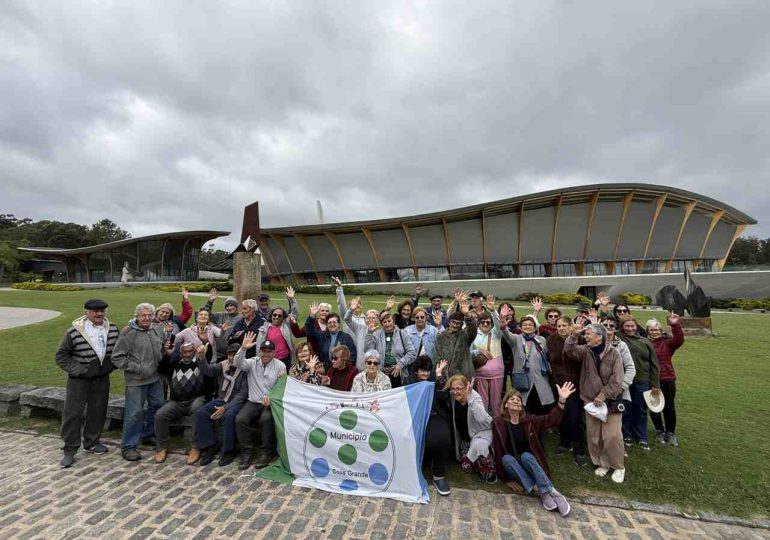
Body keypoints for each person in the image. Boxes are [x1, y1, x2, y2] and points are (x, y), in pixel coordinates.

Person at [493, 383, 576, 516]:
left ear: (521, 406)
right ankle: (541, 489)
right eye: (512, 399)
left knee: (526, 455)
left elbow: (551, 420)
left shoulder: (529, 421)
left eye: (518, 400)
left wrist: (561, 400)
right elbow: (497, 451)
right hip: (513, 467)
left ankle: (549, 492)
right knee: (506, 458)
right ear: (506, 405)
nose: (515, 401)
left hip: (529, 463)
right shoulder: (498, 423)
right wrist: (506, 479)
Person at [55, 298, 119, 468]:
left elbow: (118, 352)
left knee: (97, 411)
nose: (99, 314)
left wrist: (109, 367)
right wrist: (81, 370)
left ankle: (92, 442)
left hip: (101, 378)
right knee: (73, 413)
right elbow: (61, 356)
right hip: (79, 381)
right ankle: (69, 449)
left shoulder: (112, 329)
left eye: (102, 311)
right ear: (86, 313)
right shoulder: (74, 332)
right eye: (95, 311)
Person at [564, 323, 626, 483]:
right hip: (590, 400)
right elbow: (569, 351)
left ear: (599, 337)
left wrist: (604, 394)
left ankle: (618, 466)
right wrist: (573, 336)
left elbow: (617, 380)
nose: (586, 336)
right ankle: (603, 463)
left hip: (610, 401)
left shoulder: (614, 353)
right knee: (594, 436)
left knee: (612, 435)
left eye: (589, 334)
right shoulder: (586, 351)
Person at [112, 303, 170, 461]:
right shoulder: (128, 332)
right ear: (136, 316)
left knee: (158, 406)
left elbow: (162, 348)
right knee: (134, 413)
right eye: (143, 315)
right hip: (136, 380)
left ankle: (147, 434)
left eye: (149, 315)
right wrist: (139, 368)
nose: (146, 318)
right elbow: (117, 357)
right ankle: (129, 447)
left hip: (154, 378)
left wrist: (164, 352)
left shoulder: (157, 329)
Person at [435, 364, 496, 483]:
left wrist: (470, 398)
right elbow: (444, 387)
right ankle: (476, 459)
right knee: (466, 467)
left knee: (480, 450)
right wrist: (438, 374)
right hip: (466, 440)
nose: (456, 392)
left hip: (481, 434)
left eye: (459, 388)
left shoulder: (474, 397)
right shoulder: (453, 398)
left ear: (466, 387)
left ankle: (489, 467)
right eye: (453, 389)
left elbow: (482, 418)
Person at [234, 333, 287, 469]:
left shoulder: (280, 366)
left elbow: (282, 387)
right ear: (259, 351)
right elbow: (237, 363)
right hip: (253, 401)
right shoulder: (252, 362)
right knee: (240, 419)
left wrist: (272, 398)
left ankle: (266, 452)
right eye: (264, 351)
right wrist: (243, 349)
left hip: (271, 402)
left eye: (269, 352)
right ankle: (247, 452)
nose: (266, 354)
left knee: (266, 419)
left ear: (274, 353)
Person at [153, 342, 209, 464]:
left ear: (194, 351)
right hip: (177, 402)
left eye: (190, 351)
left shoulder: (198, 363)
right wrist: (168, 355)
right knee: (160, 415)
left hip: (195, 399)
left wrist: (204, 344)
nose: (188, 354)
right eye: (185, 352)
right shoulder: (174, 364)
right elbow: (161, 368)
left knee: (197, 411)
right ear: (180, 353)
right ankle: (162, 447)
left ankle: (195, 447)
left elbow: (207, 360)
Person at [194, 343, 248, 466]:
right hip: (222, 399)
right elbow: (207, 370)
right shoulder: (223, 365)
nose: (232, 357)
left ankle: (229, 450)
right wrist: (202, 357)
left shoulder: (245, 368)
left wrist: (225, 408)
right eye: (230, 354)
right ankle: (209, 446)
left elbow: (242, 395)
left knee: (229, 416)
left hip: (236, 402)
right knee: (202, 412)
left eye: (235, 354)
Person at [548, 315, 586, 466]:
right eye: (559, 326)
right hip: (558, 384)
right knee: (561, 416)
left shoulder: (580, 339)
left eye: (564, 325)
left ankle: (579, 449)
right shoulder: (551, 340)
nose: (561, 328)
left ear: (571, 326)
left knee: (576, 418)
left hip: (575, 384)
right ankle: (565, 443)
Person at [500, 308, 553, 415]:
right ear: (521, 327)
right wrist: (503, 325)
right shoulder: (516, 339)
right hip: (524, 380)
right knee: (524, 407)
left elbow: (548, 356)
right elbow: (506, 334)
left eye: (530, 325)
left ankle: (540, 430)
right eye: (525, 325)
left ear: (534, 327)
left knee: (541, 408)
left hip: (540, 379)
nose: (527, 327)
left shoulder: (541, 340)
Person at [619, 316, 660, 450]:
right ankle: (627, 434)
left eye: (632, 326)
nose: (630, 328)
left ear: (636, 327)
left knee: (641, 409)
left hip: (643, 380)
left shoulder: (645, 342)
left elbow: (654, 364)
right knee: (626, 408)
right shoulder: (620, 340)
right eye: (627, 326)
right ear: (622, 327)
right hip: (626, 380)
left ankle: (641, 436)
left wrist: (655, 385)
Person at [647, 312, 684, 446]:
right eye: (651, 330)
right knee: (654, 407)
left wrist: (675, 325)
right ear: (647, 332)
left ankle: (670, 433)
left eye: (657, 329)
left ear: (661, 331)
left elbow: (679, 340)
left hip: (667, 379)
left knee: (669, 407)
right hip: (651, 380)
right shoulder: (645, 343)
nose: (654, 332)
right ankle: (659, 431)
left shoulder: (667, 343)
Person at [420, 359, 453, 496]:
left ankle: (438, 475)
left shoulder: (435, 379)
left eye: (428, 370)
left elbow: (444, 394)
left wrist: (439, 375)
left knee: (441, 436)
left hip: (435, 415)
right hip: (417, 416)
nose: (425, 373)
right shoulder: (409, 381)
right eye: (422, 370)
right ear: (416, 370)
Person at [471, 296, 505, 417]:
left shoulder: (496, 334)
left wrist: (492, 310)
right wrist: (479, 351)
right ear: (478, 323)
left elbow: (498, 324)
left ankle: (497, 426)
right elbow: (467, 352)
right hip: (480, 374)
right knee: (482, 402)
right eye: (483, 322)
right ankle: (484, 425)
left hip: (497, 374)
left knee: (496, 403)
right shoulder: (474, 335)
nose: (485, 324)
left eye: (488, 322)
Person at [366, 311, 416, 388]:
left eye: (389, 321)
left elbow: (412, 353)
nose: (387, 324)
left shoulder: (402, 334)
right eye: (384, 322)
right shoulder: (376, 334)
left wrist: (400, 364)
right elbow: (369, 351)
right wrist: (369, 333)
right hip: (381, 373)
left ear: (393, 321)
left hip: (398, 373)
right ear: (382, 323)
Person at [254, 287, 299, 372]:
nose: (276, 317)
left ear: (283, 317)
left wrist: (292, 299)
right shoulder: (264, 328)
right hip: (270, 359)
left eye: (279, 315)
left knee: (282, 382)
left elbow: (294, 313)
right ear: (271, 316)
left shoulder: (285, 325)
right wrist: (259, 360)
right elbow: (259, 345)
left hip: (285, 359)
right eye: (274, 315)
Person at [434, 300, 478, 380]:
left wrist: (467, 314)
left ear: (461, 325)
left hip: (464, 376)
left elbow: (473, 330)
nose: (454, 325)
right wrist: (442, 375)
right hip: (446, 377)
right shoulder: (440, 336)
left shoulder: (465, 335)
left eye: (458, 323)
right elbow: (438, 357)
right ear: (449, 322)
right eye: (453, 322)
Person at [600, 316, 636, 412]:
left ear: (615, 329)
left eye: (611, 325)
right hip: (597, 390)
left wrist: (622, 387)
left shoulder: (621, 345)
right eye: (605, 325)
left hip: (617, 392)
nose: (608, 327)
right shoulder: (594, 344)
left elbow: (630, 368)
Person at [333, 277, 367, 368]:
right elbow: (341, 304)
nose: (357, 305)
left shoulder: (365, 319)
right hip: (349, 349)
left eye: (359, 303)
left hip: (361, 351)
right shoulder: (346, 316)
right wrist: (339, 288)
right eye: (354, 303)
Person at [200, 288, 242, 361]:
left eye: (232, 305)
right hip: (219, 354)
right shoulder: (220, 315)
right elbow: (206, 314)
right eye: (227, 306)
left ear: (236, 306)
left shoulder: (241, 318)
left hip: (234, 353)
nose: (229, 308)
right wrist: (210, 302)